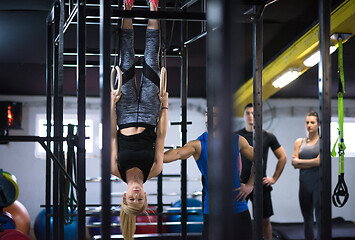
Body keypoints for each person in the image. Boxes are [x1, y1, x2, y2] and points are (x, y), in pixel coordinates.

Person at [110, 1, 168, 239]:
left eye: (132, 199)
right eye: (140, 199)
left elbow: (111, 134)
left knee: (126, 60)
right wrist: (164, 104)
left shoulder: (115, 169)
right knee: (151, 60)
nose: (136, 194)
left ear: (124, 197)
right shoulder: (154, 169)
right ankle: (154, 7)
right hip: (149, 112)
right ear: (146, 196)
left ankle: (128, 7)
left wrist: (111, 103)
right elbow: (162, 136)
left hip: (122, 113)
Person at [164, 108, 255, 240]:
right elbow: (176, 154)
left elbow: (259, 160)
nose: (209, 119)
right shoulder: (198, 144)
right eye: (207, 115)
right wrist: (149, 154)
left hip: (238, 208)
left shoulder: (237, 140)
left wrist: (250, 185)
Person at [236, 103, 287, 240]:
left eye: (254, 113)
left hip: (260, 184)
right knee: (238, 221)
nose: (251, 116)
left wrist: (274, 178)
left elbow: (282, 157)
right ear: (243, 115)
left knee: (264, 221)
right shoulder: (237, 136)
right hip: (241, 184)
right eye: (248, 113)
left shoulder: (267, 136)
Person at [292, 111, 320, 240]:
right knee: (307, 219)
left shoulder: (323, 142)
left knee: (320, 218)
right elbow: (294, 163)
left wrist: (300, 162)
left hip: (318, 185)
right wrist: (313, 163)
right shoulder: (299, 142)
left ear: (318, 124)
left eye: (312, 122)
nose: (309, 125)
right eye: (307, 122)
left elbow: (320, 161)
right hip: (304, 185)